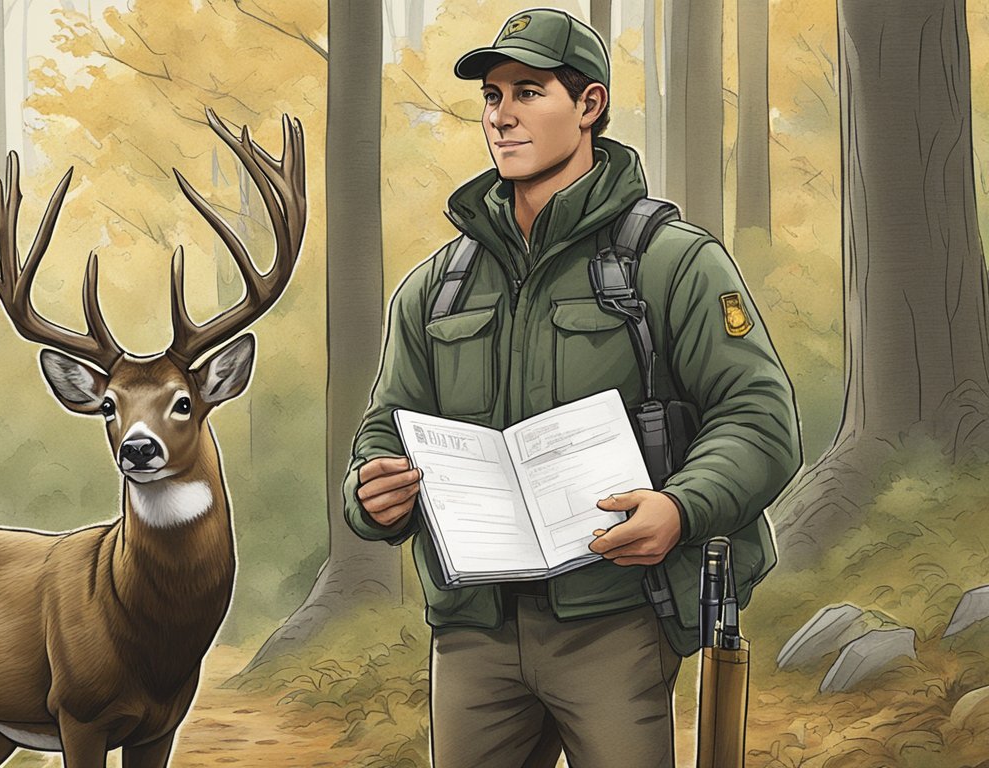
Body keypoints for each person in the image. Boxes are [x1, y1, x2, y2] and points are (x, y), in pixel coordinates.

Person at [342, 8, 802, 767]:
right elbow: (383, 426)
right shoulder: (434, 289)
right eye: (492, 97)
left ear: (590, 106)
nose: (502, 117)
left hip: (614, 623)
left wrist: (679, 508)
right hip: (472, 633)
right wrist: (371, 494)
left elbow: (760, 421)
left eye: (529, 92)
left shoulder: (673, 262)